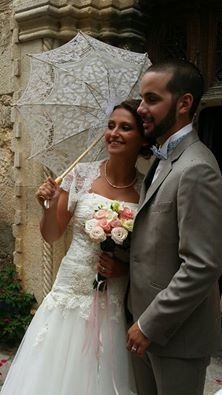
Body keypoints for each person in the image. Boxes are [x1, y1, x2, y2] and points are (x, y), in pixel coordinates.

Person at [1, 99, 148, 395]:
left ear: (142, 138)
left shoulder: (146, 188)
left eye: (125, 127)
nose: (114, 133)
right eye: (110, 126)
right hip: (70, 289)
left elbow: (148, 250)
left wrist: (125, 268)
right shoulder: (81, 175)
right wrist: (47, 204)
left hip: (113, 295)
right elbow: (52, 235)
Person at [127, 59, 222, 395]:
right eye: (141, 99)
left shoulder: (197, 168)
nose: (140, 109)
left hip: (175, 337)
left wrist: (149, 324)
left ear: (184, 103)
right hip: (143, 327)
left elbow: (202, 265)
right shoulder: (161, 159)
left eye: (152, 100)